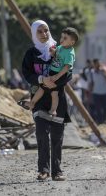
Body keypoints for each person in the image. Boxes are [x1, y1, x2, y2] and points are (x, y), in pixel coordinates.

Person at [21, 20, 71, 181]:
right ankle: (43, 170)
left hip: (57, 100)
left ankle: (57, 171)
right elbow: (27, 74)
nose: (44, 34)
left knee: (57, 136)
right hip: (39, 98)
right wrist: (41, 79)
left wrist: (54, 81)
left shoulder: (60, 50)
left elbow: (69, 71)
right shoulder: (30, 54)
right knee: (42, 134)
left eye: (46, 30)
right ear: (34, 34)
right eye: (40, 32)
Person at [27, 27, 78, 116]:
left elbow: (67, 67)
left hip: (59, 75)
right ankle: (32, 103)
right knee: (41, 88)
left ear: (72, 42)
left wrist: (57, 76)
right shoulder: (61, 47)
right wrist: (52, 52)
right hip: (52, 72)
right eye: (62, 37)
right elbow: (56, 54)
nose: (62, 39)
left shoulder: (70, 53)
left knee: (54, 94)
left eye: (65, 38)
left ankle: (53, 110)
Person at [89, 59, 106, 124]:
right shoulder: (91, 72)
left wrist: (105, 72)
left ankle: (105, 121)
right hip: (96, 93)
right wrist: (90, 94)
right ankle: (100, 123)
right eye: (96, 64)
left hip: (105, 92)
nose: (98, 65)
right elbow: (91, 83)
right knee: (98, 109)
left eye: (99, 63)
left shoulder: (104, 71)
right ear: (94, 64)